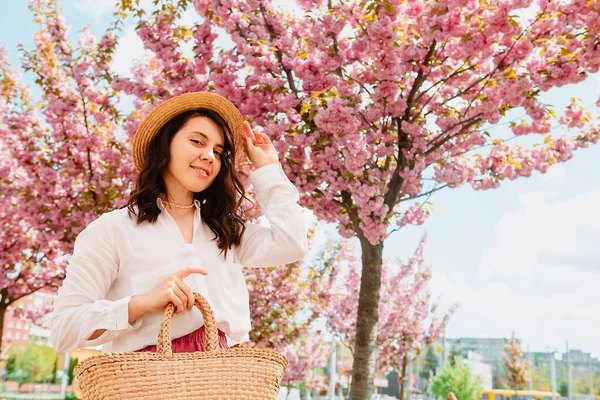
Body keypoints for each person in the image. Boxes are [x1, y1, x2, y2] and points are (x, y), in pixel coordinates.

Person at [49, 91, 308, 354]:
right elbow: (62, 331)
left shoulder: (226, 231)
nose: (210, 156)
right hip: (146, 383)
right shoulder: (113, 229)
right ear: (165, 144)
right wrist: (141, 303)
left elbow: (293, 243)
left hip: (221, 380)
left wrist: (269, 170)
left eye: (219, 152)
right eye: (197, 141)